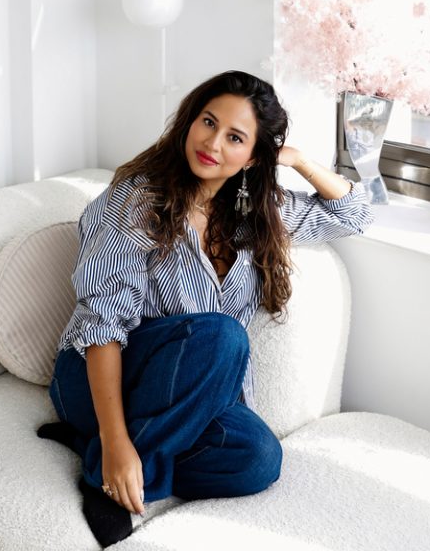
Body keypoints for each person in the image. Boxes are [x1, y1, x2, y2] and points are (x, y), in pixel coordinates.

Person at [38, 70, 373, 547]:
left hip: (188, 398)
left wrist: (295, 160)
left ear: (253, 156)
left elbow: (353, 214)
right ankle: (109, 473)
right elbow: (102, 327)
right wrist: (116, 441)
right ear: (190, 121)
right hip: (97, 378)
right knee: (221, 336)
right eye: (208, 122)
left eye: (235, 137)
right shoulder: (136, 200)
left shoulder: (260, 213)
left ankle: (103, 451)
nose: (213, 143)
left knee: (259, 459)